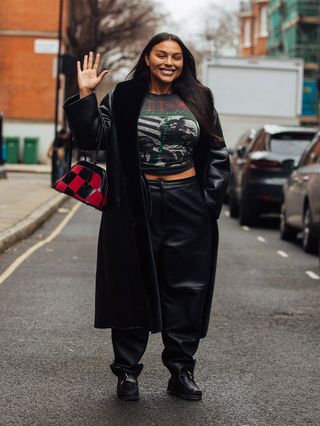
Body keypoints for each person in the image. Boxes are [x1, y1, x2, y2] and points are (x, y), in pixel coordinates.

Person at [63, 32, 230, 401]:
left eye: (176, 57)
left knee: (187, 288)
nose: (169, 62)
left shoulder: (200, 98)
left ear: (183, 62)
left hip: (188, 205)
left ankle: (181, 370)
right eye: (162, 55)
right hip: (133, 204)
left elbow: (217, 151)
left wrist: (209, 202)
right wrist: (87, 96)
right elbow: (93, 138)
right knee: (129, 284)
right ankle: (127, 373)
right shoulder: (123, 96)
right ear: (148, 58)